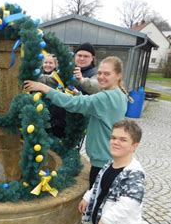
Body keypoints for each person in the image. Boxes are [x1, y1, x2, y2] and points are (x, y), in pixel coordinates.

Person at [24, 56, 129, 188]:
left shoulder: (106, 97)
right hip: (110, 158)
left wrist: (44, 88)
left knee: (96, 203)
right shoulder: (118, 94)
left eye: (107, 73)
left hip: (102, 162)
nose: (101, 77)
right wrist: (76, 93)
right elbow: (93, 107)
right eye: (100, 73)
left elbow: (74, 104)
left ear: (118, 75)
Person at [78, 120, 145, 224]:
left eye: (123, 140)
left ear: (134, 146)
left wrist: (108, 219)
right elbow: (98, 185)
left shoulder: (134, 173)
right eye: (113, 138)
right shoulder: (110, 163)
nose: (115, 142)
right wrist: (88, 197)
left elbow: (130, 202)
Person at [37, 54, 70, 138]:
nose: (48, 65)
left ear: (55, 65)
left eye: (51, 63)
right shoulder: (36, 75)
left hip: (56, 114)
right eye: (46, 62)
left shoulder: (59, 77)